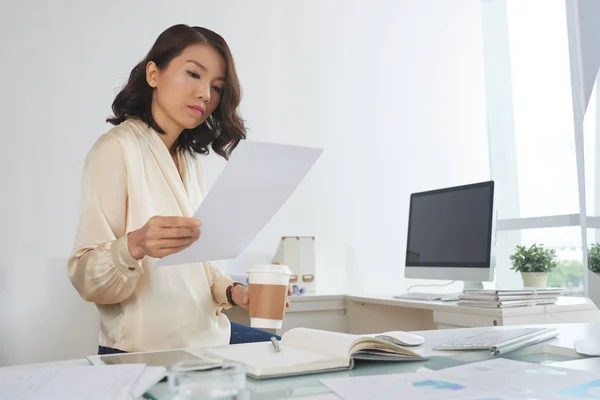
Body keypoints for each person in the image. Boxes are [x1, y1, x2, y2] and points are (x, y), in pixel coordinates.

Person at [67, 24, 289, 355]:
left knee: (290, 355)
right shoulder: (116, 149)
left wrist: (235, 293)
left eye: (216, 87)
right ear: (153, 74)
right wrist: (134, 245)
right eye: (194, 75)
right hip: (147, 349)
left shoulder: (189, 160)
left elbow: (199, 267)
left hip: (206, 335)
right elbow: (85, 277)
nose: (205, 95)